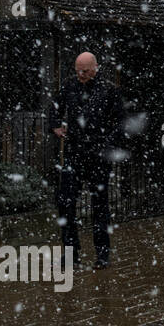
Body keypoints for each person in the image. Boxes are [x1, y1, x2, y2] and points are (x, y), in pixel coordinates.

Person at [48, 52, 126, 269]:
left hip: (98, 155)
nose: (81, 75)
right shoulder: (69, 85)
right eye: (78, 70)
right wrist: (55, 125)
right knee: (66, 202)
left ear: (95, 68)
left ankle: (102, 254)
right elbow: (54, 106)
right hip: (74, 152)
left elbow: (121, 122)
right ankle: (71, 253)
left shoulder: (109, 89)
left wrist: (107, 144)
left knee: (99, 205)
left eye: (85, 71)